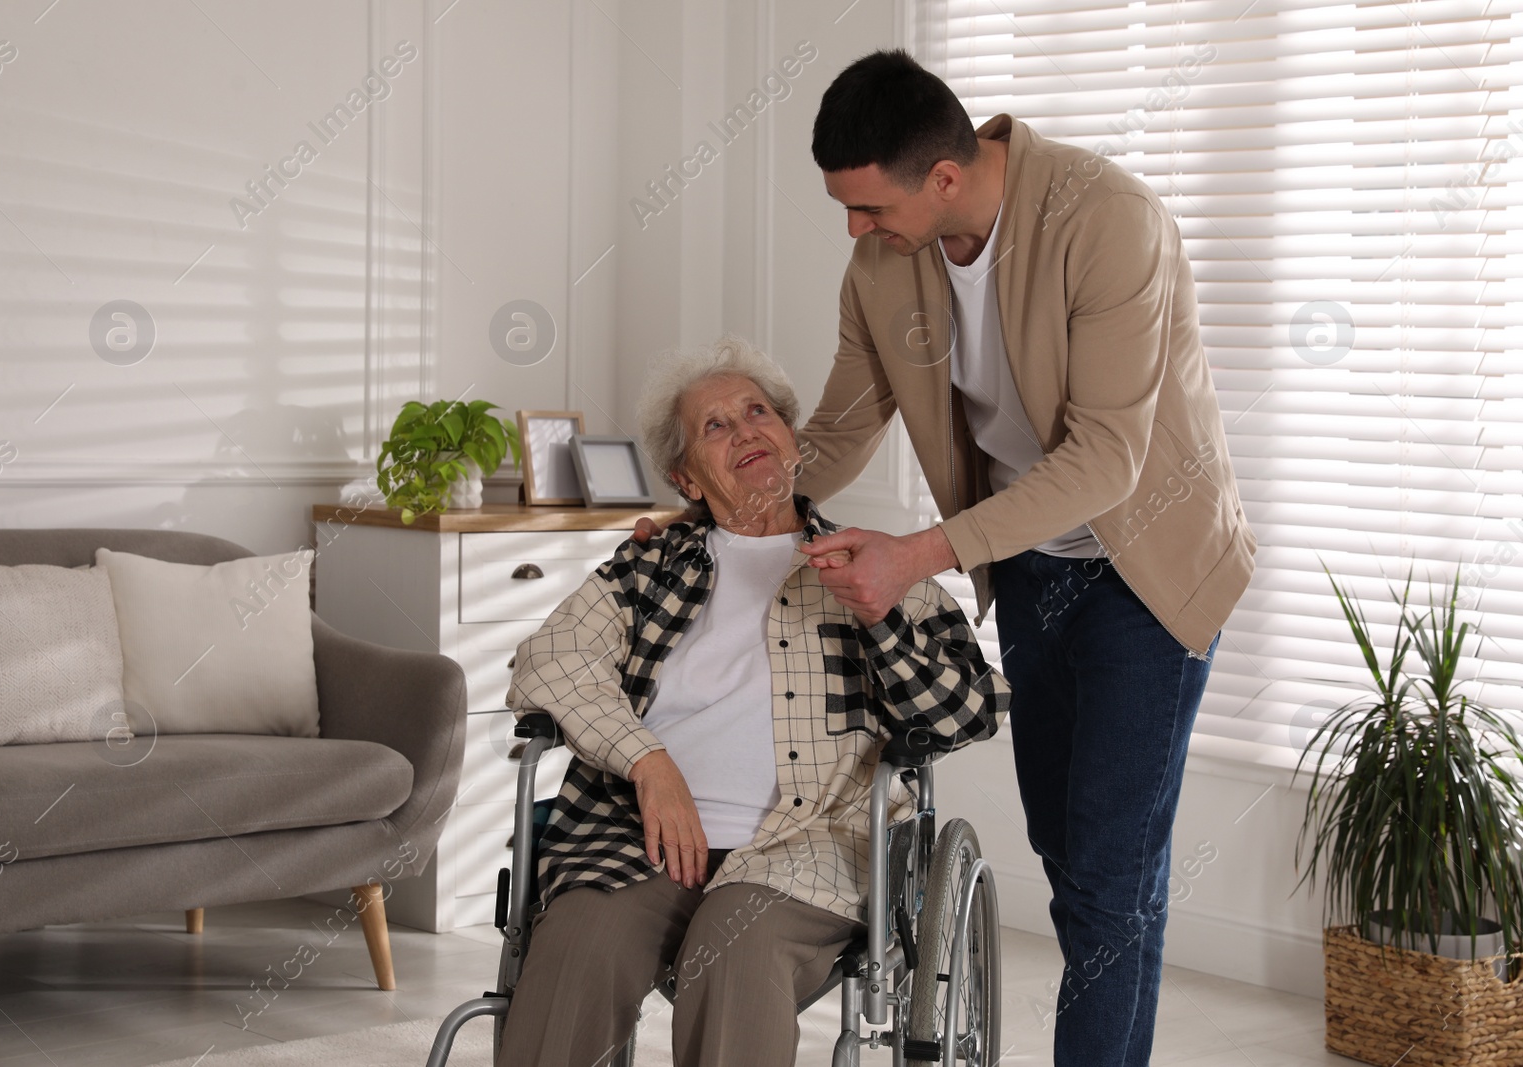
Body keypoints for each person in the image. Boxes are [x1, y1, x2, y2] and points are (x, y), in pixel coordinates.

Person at [641, 49, 1256, 1067]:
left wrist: (918, 551)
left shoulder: (1108, 224)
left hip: (1145, 573)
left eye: (867, 208)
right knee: (1070, 858)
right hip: (1027, 568)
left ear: (944, 178)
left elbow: (1107, 456)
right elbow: (834, 431)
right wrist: (711, 509)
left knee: (1109, 877)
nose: (853, 231)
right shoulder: (886, 265)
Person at [497, 336, 1009, 1067]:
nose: (744, 432)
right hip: (639, 834)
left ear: (793, 441)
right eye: (715, 426)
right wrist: (647, 760)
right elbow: (548, 658)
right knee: (580, 944)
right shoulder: (649, 564)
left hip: (811, 844)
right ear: (687, 478)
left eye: (757, 412)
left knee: (732, 956)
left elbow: (965, 712)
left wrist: (880, 618)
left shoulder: (873, 564)